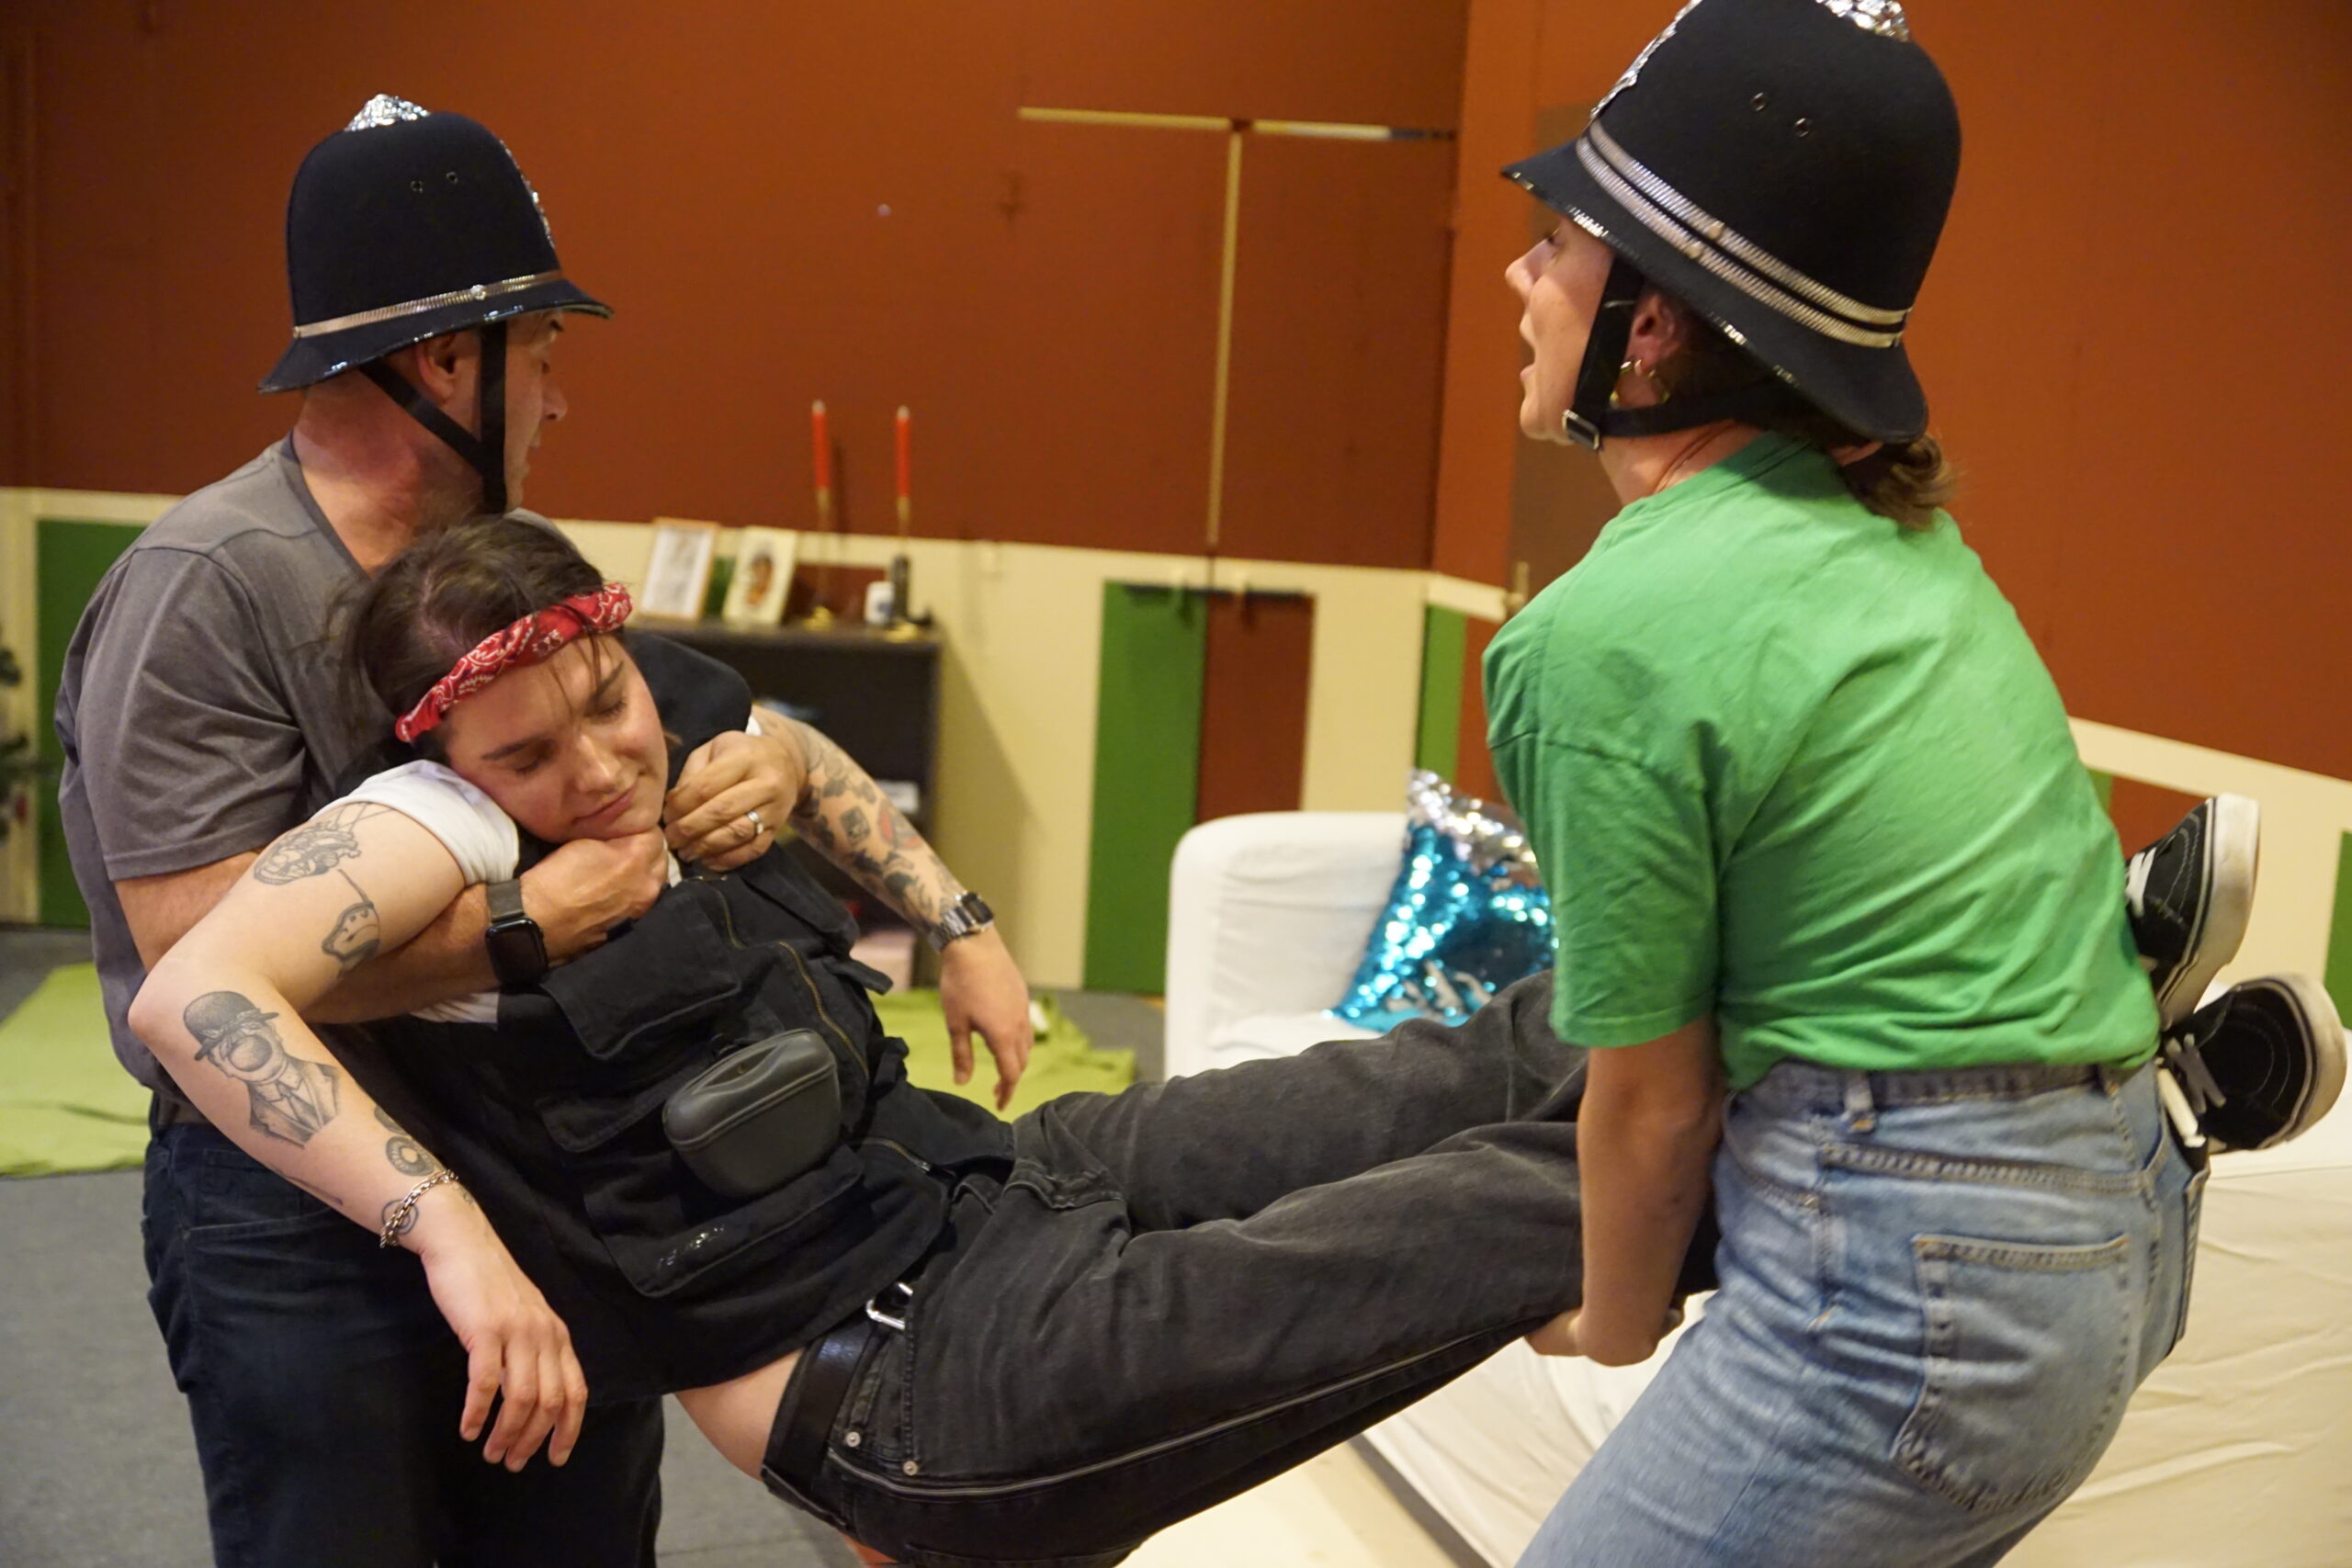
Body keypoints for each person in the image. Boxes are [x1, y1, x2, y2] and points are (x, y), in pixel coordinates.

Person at [130, 518, 2307, 1568]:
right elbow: (186, 992)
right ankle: (2040, 1097)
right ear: (448, 761)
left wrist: (962, 926)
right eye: (533, 752)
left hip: (987, 1183)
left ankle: (2020, 965)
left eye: (603, 703)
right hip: (905, 1378)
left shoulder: (656, 707)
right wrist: (450, 1231)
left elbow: (798, 753)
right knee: (1490, 1201)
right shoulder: (420, 834)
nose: (599, 762)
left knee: (1459, 1061)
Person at [54, 96, 1034, 1567]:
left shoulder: (482, 564)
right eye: (546, 354)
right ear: (450, 359)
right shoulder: (210, 583)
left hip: (551, 1165)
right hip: (298, 1216)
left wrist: (785, 799)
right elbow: (198, 962)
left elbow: (710, 738)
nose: (559, 403)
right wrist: (526, 931)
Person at [1482, 3, 2343, 1565]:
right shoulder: (1902, 545)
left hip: (1914, 1281)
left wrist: (1608, 1320)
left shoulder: (1598, 638)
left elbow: (1656, 1102)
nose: (1519, 277)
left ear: (1651, 325)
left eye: (1557, 242)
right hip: (2120, 1235)